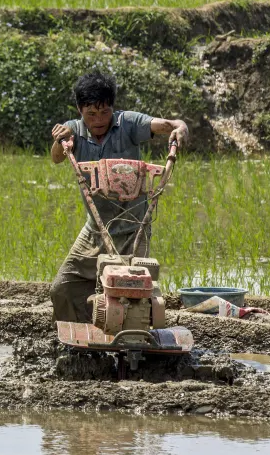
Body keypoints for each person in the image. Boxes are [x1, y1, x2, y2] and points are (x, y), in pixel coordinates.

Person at [49, 71, 189, 324]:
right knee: (62, 289)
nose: (98, 119)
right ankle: (80, 343)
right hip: (95, 230)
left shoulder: (129, 123)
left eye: (104, 112)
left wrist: (180, 126)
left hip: (134, 230)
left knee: (135, 296)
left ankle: (131, 343)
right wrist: (60, 139)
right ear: (80, 110)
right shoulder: (74, 131)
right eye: (91, 114)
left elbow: (168, 124)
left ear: (113, 108)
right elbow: (57, 156)